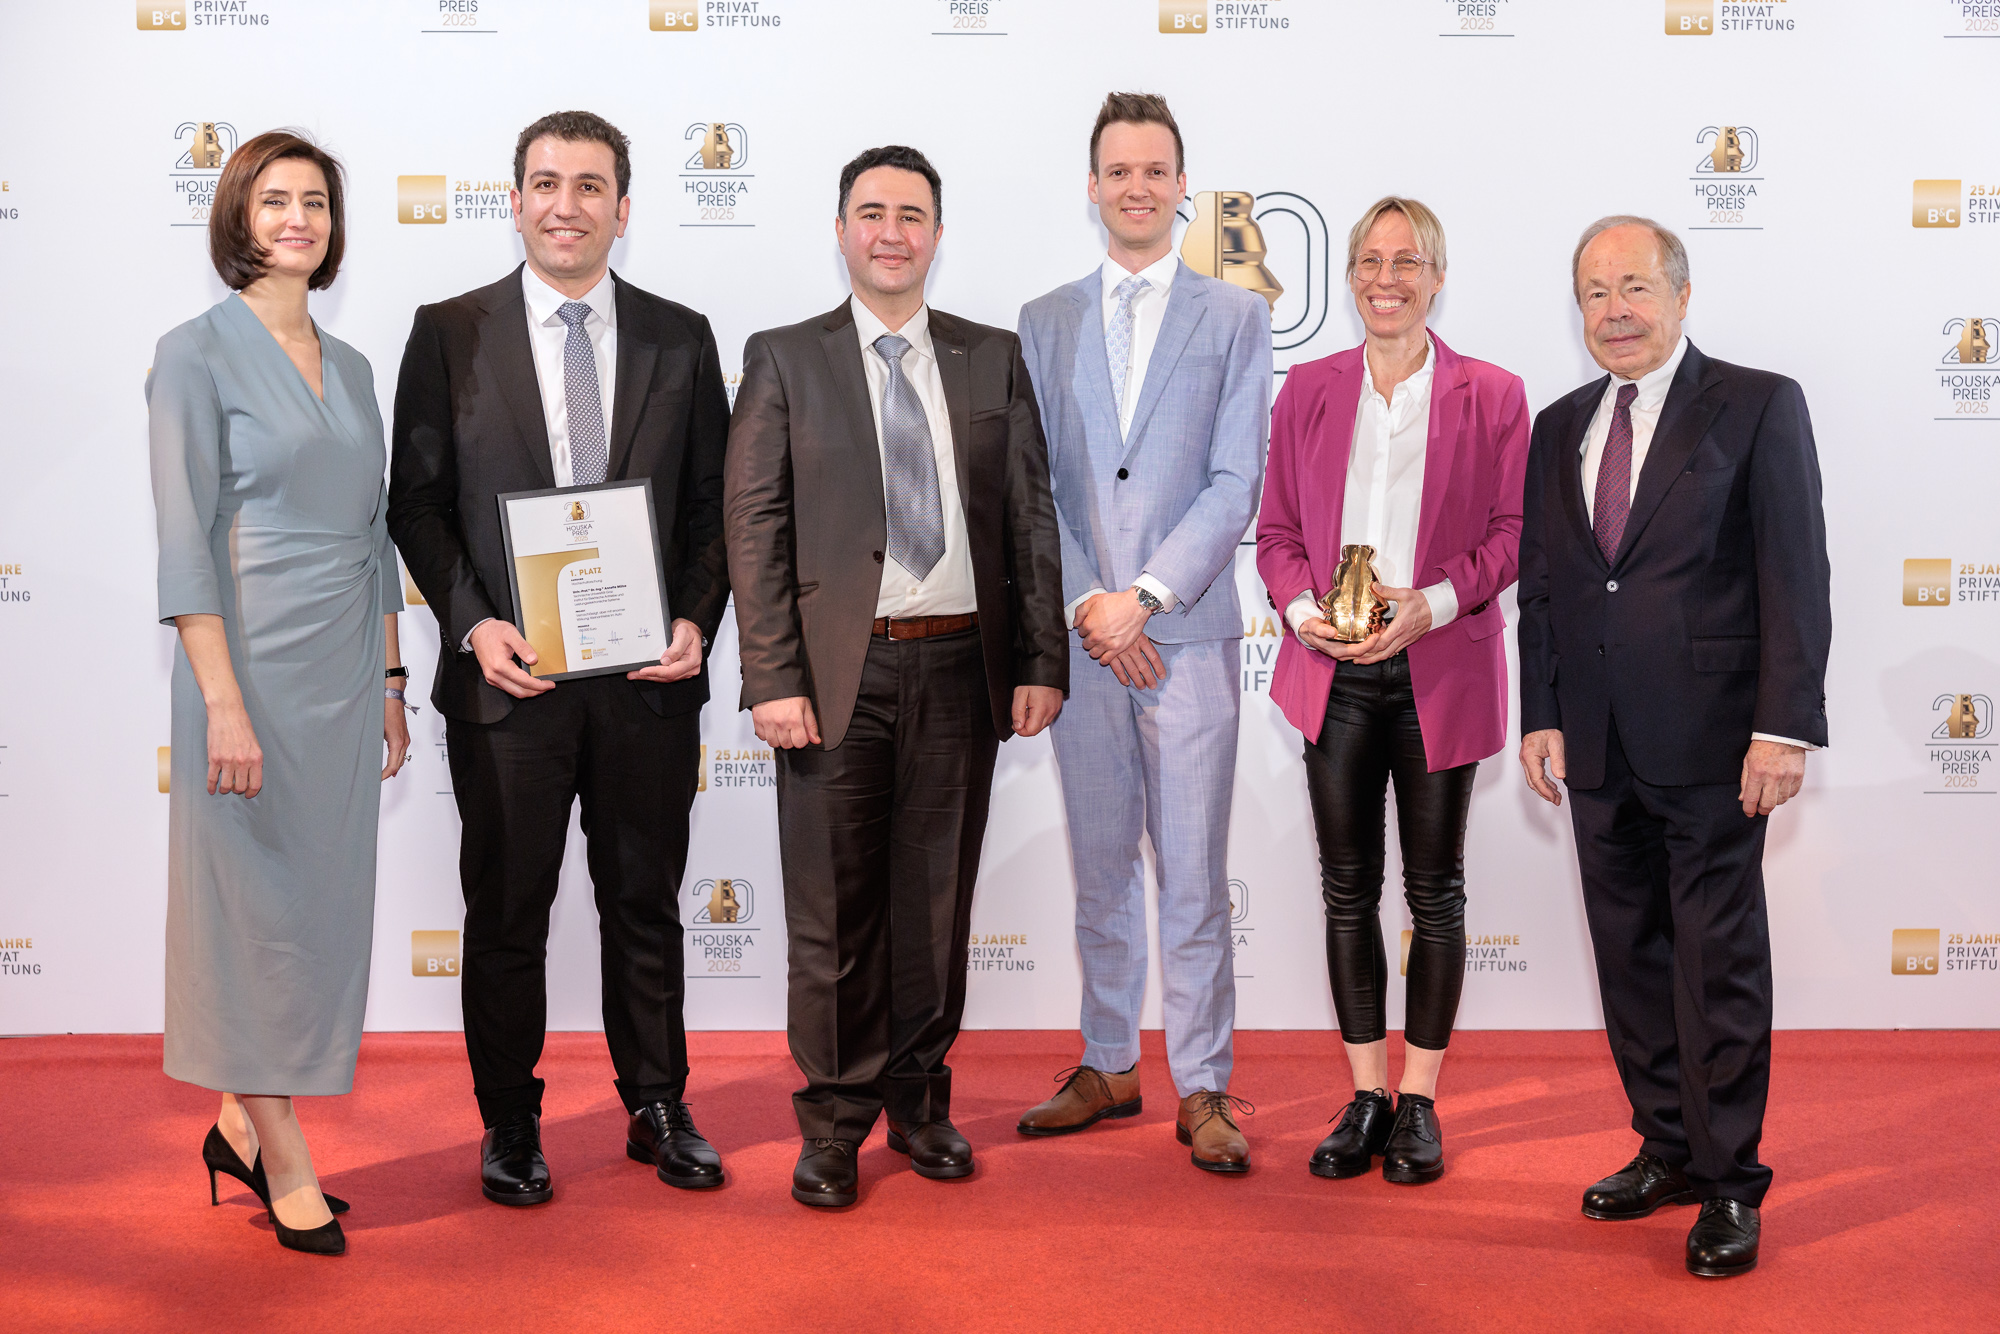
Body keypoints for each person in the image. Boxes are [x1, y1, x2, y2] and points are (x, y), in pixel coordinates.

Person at [387, 111, 731, 1206]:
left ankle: (657, 1105)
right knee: (506, 915)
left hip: (645, 685)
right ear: (514, 200)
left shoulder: (682, 336)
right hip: (508, 684)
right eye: (545, 182)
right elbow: (416, 504)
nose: (566, 204)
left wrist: (695, 618)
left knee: (645, 904)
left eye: (589, 186)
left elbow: (714, 507)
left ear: (623, 209)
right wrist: (472, 623)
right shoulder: (449, 332)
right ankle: (509, 1120)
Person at [725, 144, 1066, 1208]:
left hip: (961, 666)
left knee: (933, 903)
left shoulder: (990, 356)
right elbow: (754, 525)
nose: (891, 232)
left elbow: (1028, 516)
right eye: (870, 212)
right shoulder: (784, 358)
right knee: (833, 911)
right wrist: (771, 675)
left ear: (936, 234)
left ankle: (920, 1102)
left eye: (911, 214)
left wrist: (1040, 657)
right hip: (835, 676)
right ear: (840, 230)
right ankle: (833, 1119)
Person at [1517, 216, 1831, 1277]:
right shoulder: (1558, 425)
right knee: (1629, 960)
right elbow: (1546, 587)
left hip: (1714, 744)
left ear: (1682, 295)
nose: (1614, 310)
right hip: (1596, 744)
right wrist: (1542, 711)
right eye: (1594, 292)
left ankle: (1731, 1179)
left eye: (1635, 287)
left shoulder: (1756, 404)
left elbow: (1795, 573)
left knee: (1715, 965)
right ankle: (1667, 1147)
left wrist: (1782, 727)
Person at [149, 129, 408, 1257]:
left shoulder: (352, 366)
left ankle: (234, 1120)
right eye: (273, 201)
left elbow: (375, 531)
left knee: (310, 916)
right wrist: (221, 702)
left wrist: (392, 676)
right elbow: (184, 542)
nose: (297, 219)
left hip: (342, 679)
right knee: (245, 910)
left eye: (314, 201)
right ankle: (284, 1152)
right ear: (238, 220)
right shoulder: (192, 353)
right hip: (244, 671)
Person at [1015, 93, 1270, 1174]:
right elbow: (1034, 485)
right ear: (1092, 185)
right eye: (1118, 170)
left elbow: (1235, 480)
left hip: (1189, 638)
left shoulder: (1235, 316)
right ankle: (1109, 1061)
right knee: (1100, 865)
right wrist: (1091, 603)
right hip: (1083, 642)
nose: (1136, 187)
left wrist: (1146, 596)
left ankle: (1202, 1082)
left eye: (1155, 170)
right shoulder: (1043, 319)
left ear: (1181, 186)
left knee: (1194, 875)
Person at [1255, 197, 1529, 1185]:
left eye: (1407, 261)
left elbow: (1510, 534)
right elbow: (1277, 533)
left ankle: (1419, 1101)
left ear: (1436, 277)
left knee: (1434, 892)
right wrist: (1301, 613)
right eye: (1370, 261)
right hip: (1329, 676)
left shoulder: (1493, 394)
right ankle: (1365, 1094)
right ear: (1350, 277)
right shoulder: (1308, 389)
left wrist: (1434, 603)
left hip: (1437, 672)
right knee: (1346, 891)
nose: (1386, 278)